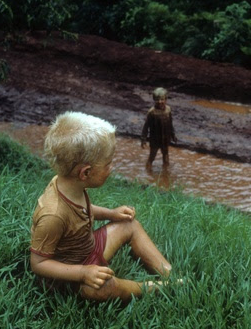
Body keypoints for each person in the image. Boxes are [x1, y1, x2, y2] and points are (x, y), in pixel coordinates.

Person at [30, 111, 174, 302]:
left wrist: (111, 214)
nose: (111, 169)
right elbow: (38, 263)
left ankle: (169, 275)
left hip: (89, 250)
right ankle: (156, 288)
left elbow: (84, 210)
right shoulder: (53, 215)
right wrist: (83, 273)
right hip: (69, 275)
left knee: (128, 224)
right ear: (86, 173)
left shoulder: (68, 184)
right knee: (102, 288)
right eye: (108, 164)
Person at [141, 87, 177, 168]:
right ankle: (148, 170)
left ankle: (166, 173)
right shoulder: (151, 112)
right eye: (157, 100)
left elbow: (170, 123)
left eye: (162, 99)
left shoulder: (168, 110)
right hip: (155, 139)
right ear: (154, 100)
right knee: (152, 156)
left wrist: (173, 135)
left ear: (166, 99)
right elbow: (146, 127)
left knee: (166, 156)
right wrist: (143, 139)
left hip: (165, 138)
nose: (160, 102)